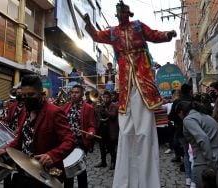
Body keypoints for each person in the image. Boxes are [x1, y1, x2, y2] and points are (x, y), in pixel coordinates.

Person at [84, 1, 177, 187]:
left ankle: (147, 179)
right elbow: (96, 36)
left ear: (129, 14)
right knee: (126, 129)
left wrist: (168, 34)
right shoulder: (113, 32)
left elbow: (154, 35)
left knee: (144, 129)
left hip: (142, 74)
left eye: (125, 13)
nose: (122, 16)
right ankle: (127, 177)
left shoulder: (138, 26)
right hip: (126, 79)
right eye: (120, 14)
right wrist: (88, 23)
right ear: (118, 16)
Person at [6, 75, 75, 187]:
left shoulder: (54, 112)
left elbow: (70, 140)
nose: (27, 98)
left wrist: (52, 155)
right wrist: (5, 149)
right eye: (24, 95)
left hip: (45, 176)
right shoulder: (24, 111)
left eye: (31, 95)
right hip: (24, 172)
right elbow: (20, 139)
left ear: (41, 93)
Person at [175, 101, 218, 188]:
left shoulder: (188, 119)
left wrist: (211, 163)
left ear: (181, 112)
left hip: (205, 162)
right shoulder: (206, 116)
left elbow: (203, 138)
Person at [62, 85, 95, 188]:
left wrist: (91, 132)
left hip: (80, 142)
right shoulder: (66, 106)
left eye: (77, 92)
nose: (74, 94)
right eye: (72, 92)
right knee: (67, 169)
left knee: (80, 170)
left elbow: (91, 125)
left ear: (82, 94)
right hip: (67, 142)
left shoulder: (88, 108)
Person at [94, 91, 119, 170]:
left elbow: (113, 116)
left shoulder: (114, 106)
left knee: (111, 147)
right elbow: (97, 115)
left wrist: (105, 110)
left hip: (110, 129)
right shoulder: (101, 105)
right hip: (102, 128)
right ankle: (103, 162)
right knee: (101, 146)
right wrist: (96, 108)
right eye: (104, 97)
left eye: (107, 97)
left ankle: (113, 162)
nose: (106, 99)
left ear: (110, 98)